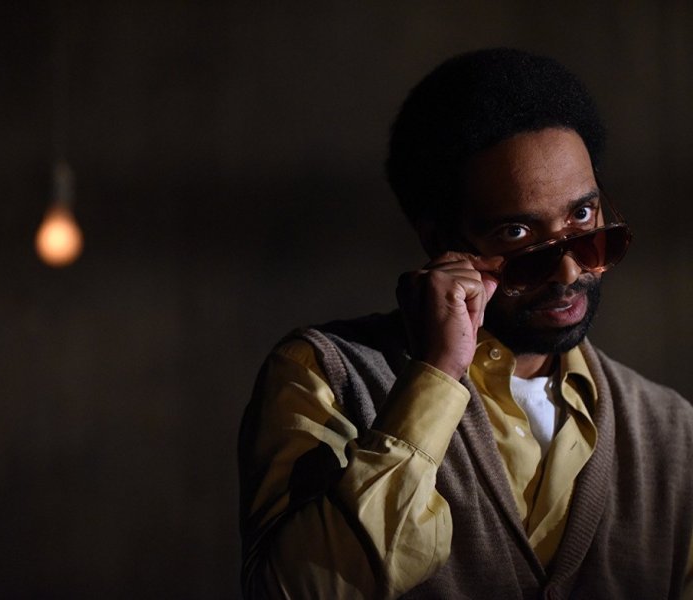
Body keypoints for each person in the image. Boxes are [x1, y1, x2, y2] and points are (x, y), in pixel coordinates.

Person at [238, 48, 693, 599]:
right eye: (518, 235)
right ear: (438, 241)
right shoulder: (324, 377)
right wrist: (434, 377)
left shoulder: (671, 431)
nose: (569, 271)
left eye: (582, 216)